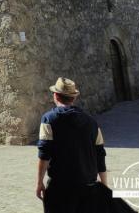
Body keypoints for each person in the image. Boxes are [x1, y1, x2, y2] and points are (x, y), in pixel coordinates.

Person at [36, 77, 107, 212]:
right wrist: (104, 187)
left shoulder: (48, 120)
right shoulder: (92, 122)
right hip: (88, 188)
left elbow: (44, 153)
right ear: (73, 98)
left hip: (60, 189)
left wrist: (39, 182)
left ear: (56, 95)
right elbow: (100, 155)